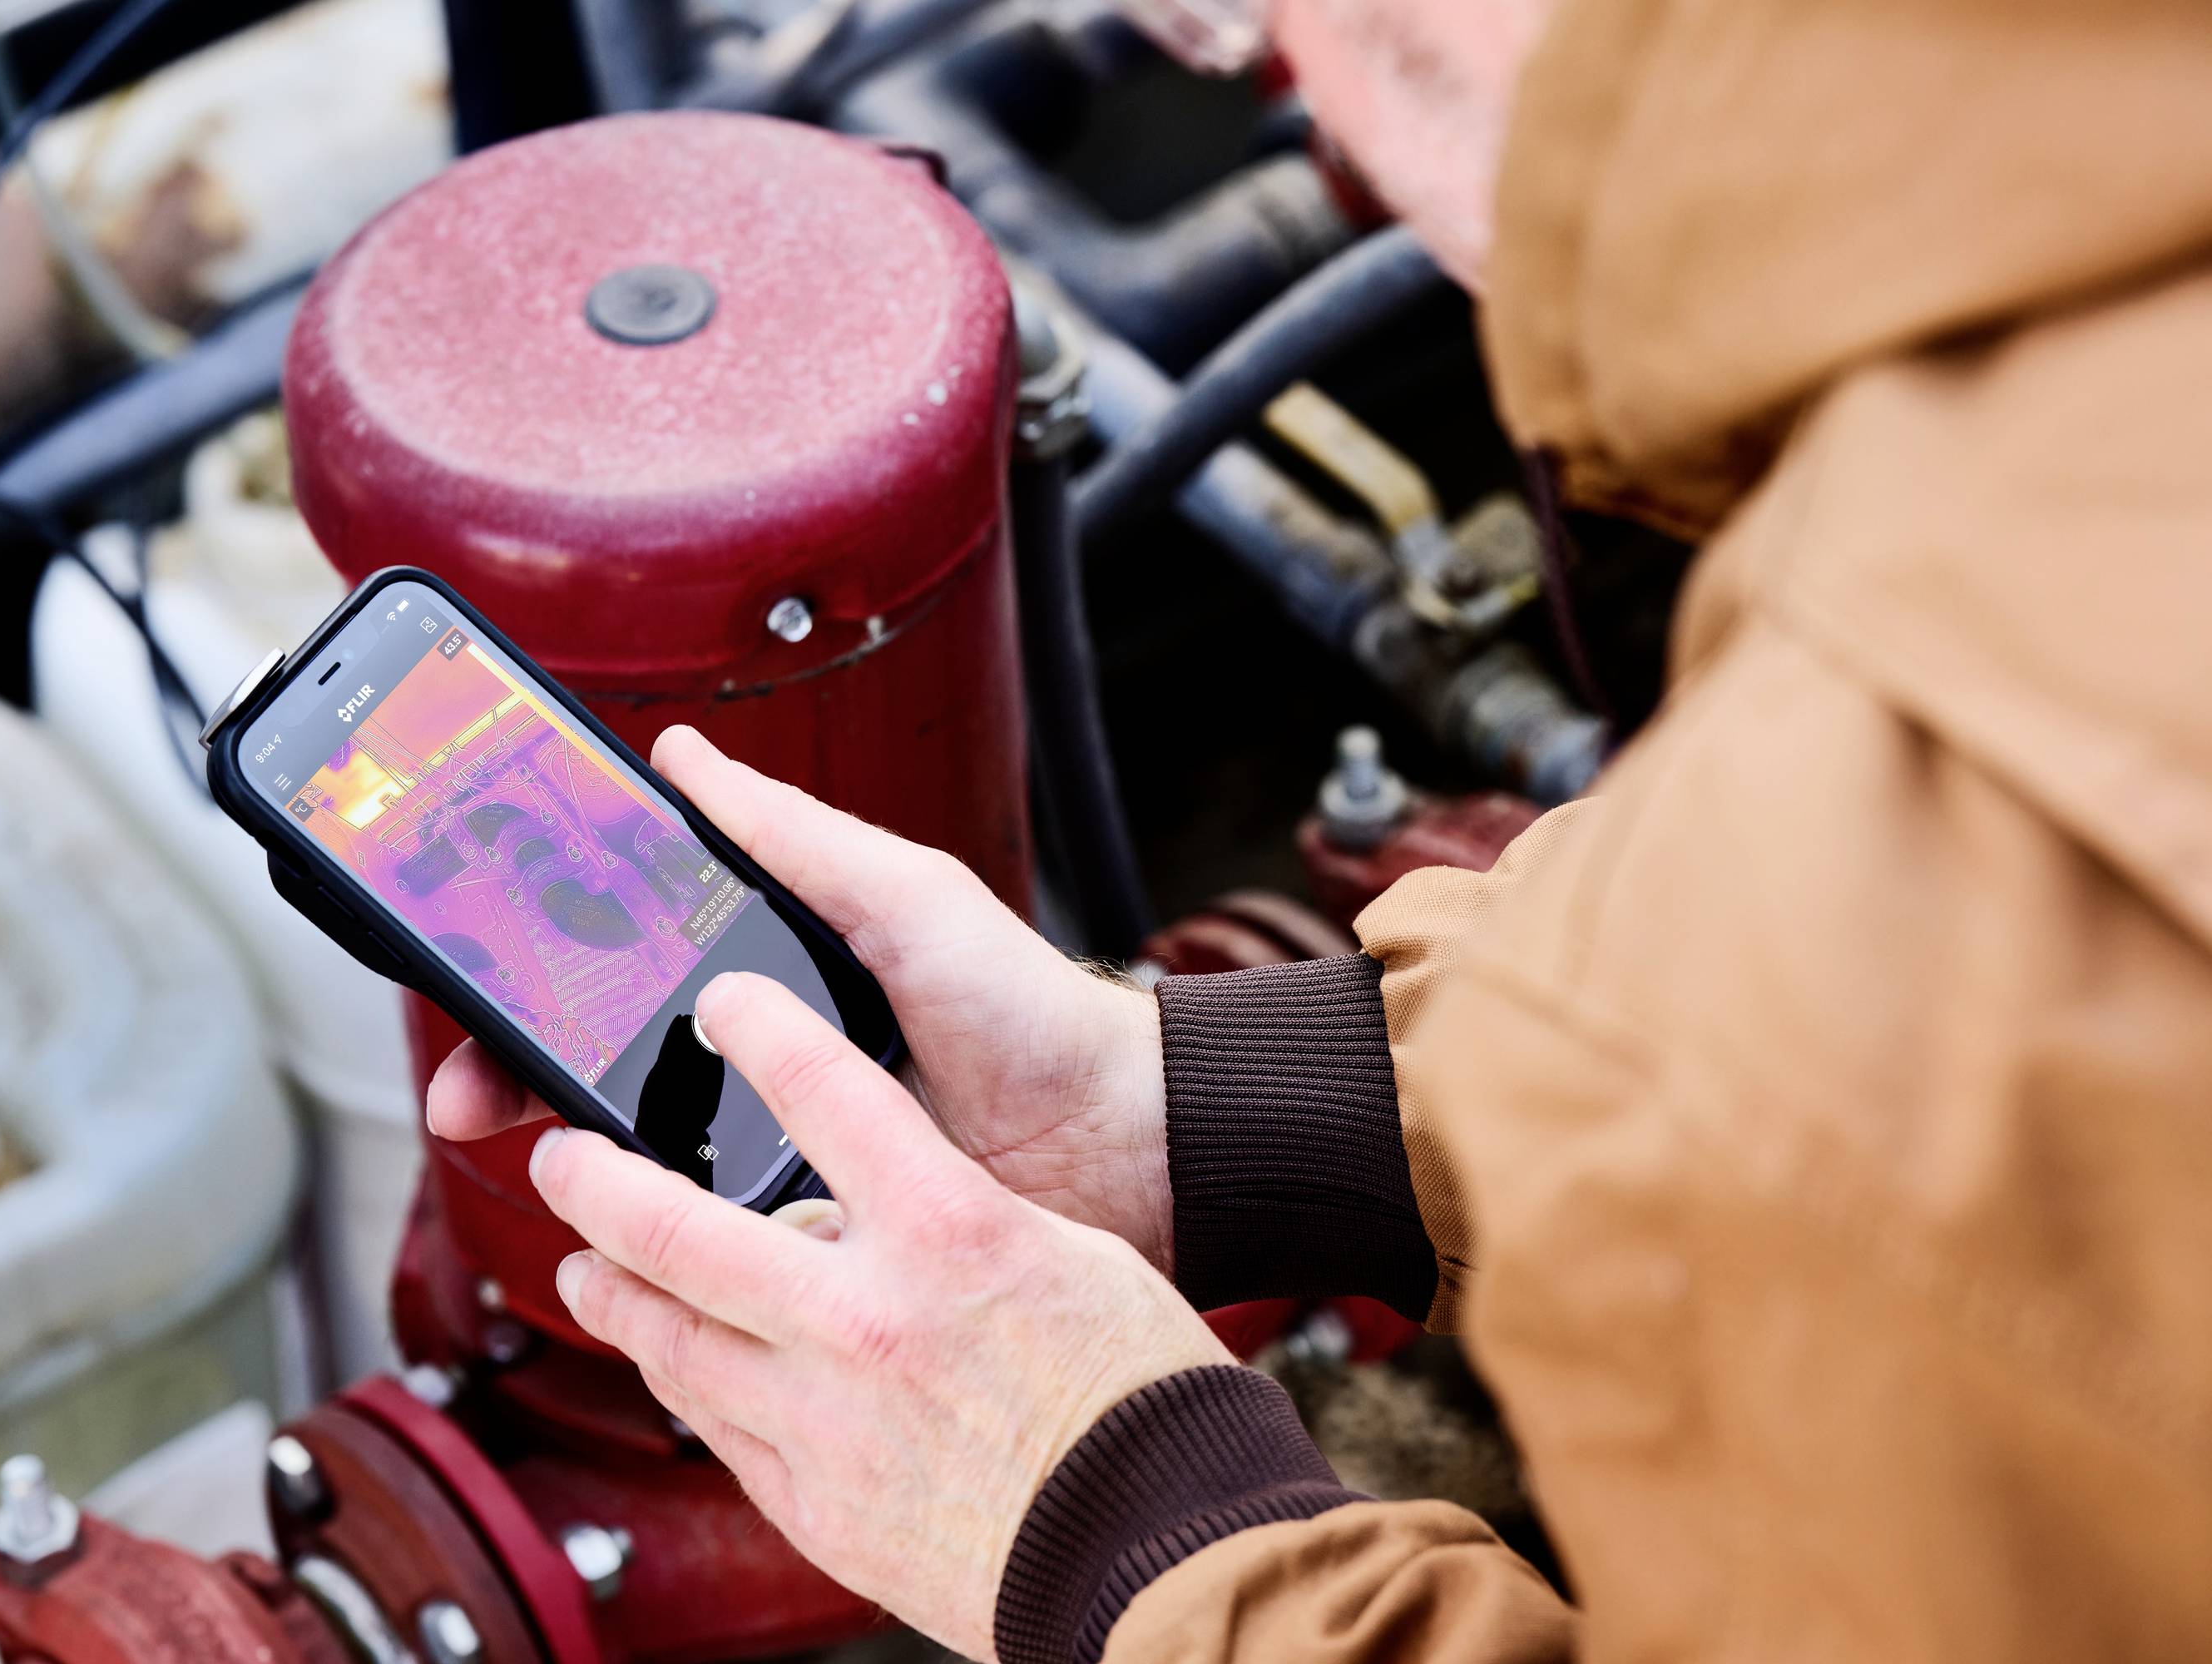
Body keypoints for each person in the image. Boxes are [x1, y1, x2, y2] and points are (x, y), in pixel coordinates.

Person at [428, 0, 2212, 1657]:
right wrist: (1198, 1111)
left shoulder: (1937, 759)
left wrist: (1122, 1524)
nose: (1240, 70)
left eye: (1252, 24)